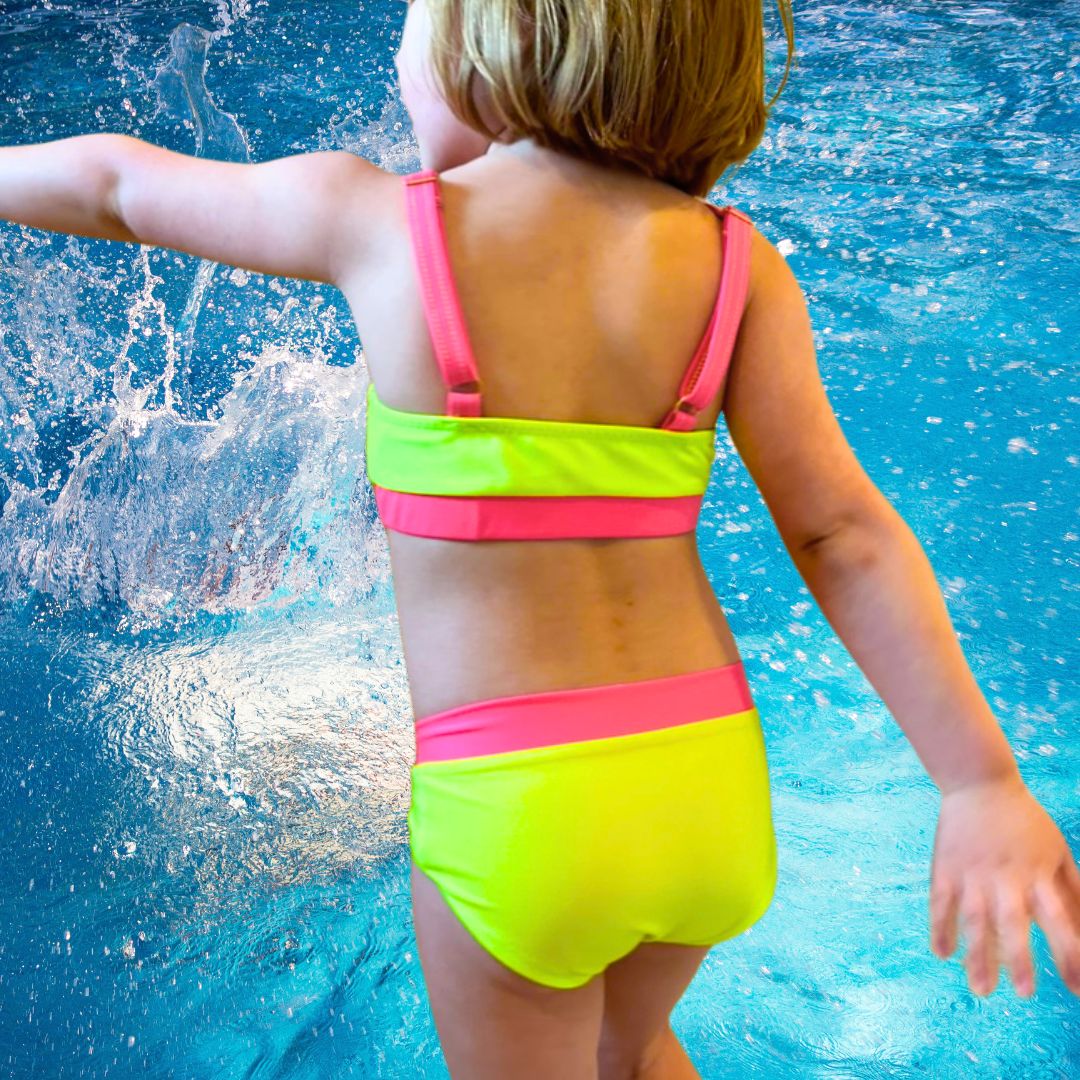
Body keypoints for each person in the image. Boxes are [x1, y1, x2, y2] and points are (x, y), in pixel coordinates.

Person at [2, 0, 1077, 1076]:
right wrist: (979, 783)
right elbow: (844, 534)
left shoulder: (375, 220)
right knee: (639, 1049)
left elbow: (118, 188)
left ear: (488, 37)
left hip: (518, 805)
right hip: (704, 786)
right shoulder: (737, 267)